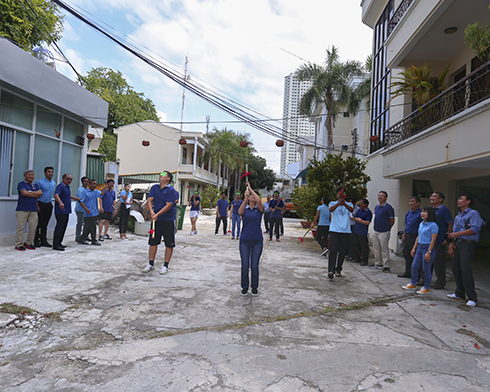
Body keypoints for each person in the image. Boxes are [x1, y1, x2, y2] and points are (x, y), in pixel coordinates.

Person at [446, 194, 483, 307]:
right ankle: (459, 292)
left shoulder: (473, 214)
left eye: (461, 199)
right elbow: (453, 233)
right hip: (458, 243)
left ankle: (472, 297)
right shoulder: (458, 217)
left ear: (468, 201)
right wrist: (451, 245)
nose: (458, 201)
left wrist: (457, 234)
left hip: (468, 244)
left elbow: (474, 229)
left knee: (465, 269)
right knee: (456, 268)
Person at [143, 171, 177, 274]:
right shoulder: (154, 188)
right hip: (156, 220)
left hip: (168, 220)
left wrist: (156, 215)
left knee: (169, 243)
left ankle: (165, 265)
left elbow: (169, 205)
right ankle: (151, 263)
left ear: (168, 178)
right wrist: (152, 212)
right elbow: (149, 200)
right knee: (153, 242)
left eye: (163, 175)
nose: (160, 176)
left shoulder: (171, 190)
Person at [402, 206, 439, 295]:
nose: (422, 214)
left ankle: (426, 287)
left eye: (424, 212)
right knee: (414, 266)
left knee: (426, 268)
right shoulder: (422, 223)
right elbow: (418, 237)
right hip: (420, 247)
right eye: (422, 212)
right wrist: (414, 248)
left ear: (430, 214)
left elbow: (433, 240)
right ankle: (413, 283)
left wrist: (428, 252)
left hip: (427, 247)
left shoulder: (433, 225)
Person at [238, 182, 264, 296]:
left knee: (254, 266)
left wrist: (251, 188)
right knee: (244, 265)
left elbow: (259, 201)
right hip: (244, 240)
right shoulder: (246, 209)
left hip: (257, 240)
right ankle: (244, 287)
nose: (253, 197)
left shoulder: (259, 209)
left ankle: (254, 287)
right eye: (252, 195)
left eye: (254, 196)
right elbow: (239, 212)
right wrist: (245, 199)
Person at [327, 188, 354, 278]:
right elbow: (330, 210)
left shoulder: (349, 204)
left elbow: (351, 210)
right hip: (334, 230)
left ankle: (338, 269)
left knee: (342, 251)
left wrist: (344, 204)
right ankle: (331, 270)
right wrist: (339, 203)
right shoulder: (332, 203)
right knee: (333, 250)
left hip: (345, 231)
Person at [430, 191, 453, 289]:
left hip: (440, 240)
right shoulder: (431, 210)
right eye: (432, 196)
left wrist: (447, 238)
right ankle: (426, 279)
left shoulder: (444, 210)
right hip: (430, 240)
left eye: (435, 196)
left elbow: (450, 223)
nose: (432, 197)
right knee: (428, 260)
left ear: (441, 199)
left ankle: (440, 282)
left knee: (439, 262)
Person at [15, 170, 42, 251]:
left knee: (33, 227)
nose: (31, 176)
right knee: (21, 227)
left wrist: (29, 192)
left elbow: (40, 194)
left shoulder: (35, 185)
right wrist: (34, 193)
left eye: (32, 175)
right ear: (25, 176)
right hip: (22, 209)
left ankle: (29, 243)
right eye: (29, 175)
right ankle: (18, 244)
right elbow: (24, 193)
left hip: (33, 209)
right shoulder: (21, 184)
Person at [53, 173, 79, 251]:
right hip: (61, 211)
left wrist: (76, 199)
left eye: (71, 179)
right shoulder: (60, 186)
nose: (69, 180)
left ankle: (59, 243)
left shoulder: (67, 187)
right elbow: (56, 195)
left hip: (66, 211)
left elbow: (68, 196)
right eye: (68, 179)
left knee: (63, 227)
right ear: (63, 179)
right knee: (60, 227)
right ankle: (56, 244)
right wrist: (60, 203)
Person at [370, 191, 395, 272]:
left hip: (384, 231)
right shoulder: (377, 207)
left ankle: (386, 265)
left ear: (386, 198)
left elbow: (392, 219)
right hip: (376, 230)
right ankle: (377, 263)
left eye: (382, 196)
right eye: (379, 195)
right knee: (376, 248)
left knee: (384, 249)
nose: (380, 197)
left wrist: (388, 228)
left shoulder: (389, 208)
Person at [398, 196, 422, 278]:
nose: (410, 203)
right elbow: (406, 225)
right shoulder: (408, 213)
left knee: (414, 256)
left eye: (412, 201)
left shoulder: (420, 214)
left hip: (415, 237)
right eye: (410, 201)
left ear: (418, 203)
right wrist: (404, 235)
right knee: (406, 255)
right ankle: (408, 272)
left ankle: (417, 275)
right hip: (407, 236)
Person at [34, 166, 56, 247]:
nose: (50, 173)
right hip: (40, 204)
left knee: (45, 224)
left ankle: (44, 241)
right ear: (45, 173)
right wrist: (37, 206)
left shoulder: (53, 183)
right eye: (49, 172)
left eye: (52, 172)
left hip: (48, 205)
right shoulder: (39, 182)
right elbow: (36, 195)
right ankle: (36, 240)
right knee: (37, 223)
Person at [77, 179, 104, 246]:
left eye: (95, 184)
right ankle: (94, 240)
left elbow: (101, 195)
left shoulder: (96, 191)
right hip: (88, 212)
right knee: (93, 226)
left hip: (95, 211)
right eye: (93, 184)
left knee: (89, 226)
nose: (94, 185)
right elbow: (80, 201)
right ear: (89, 184)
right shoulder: (85, 192)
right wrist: (86, 209)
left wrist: (105, 190)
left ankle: (82, 238)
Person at [351, 198, 372, 266]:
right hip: (356, 230)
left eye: (361, 203)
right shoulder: (359, 210)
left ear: (365, 204)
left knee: (364, 247)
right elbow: (355, 217)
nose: (360, 205)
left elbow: (367, 222)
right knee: (356, 245)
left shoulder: (368, 212)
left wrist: (361, 221)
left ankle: (364, 260)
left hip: (362, 232)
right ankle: (357, 258)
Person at [75, 177, 89, 242]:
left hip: (87, 210)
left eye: (87, 181)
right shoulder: (80, 190)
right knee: (80, 223)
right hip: (80, 209)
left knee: (87, 223)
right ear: (82, 182)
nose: (86, 182)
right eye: (85, 181)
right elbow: (82, 200)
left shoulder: (88, 189)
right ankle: (78, 236)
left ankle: (85, 236)